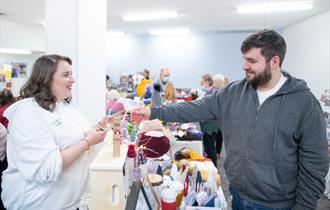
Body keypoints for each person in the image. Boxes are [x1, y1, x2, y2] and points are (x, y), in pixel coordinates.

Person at [133, 29, 329, 209]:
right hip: (237, 195)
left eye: (251, 61)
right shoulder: (233, 92)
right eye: (244, 59)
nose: (244, 66)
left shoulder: (303, 103)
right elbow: (195, 108)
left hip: (278, 204)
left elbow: (315, 164)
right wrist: (154, 112)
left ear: (274, 62)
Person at [1, 54, 112, 210]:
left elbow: (79, 136)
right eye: (66, 75)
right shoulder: (28, 114)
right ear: (46, 79)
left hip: (72, 201)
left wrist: (99, 126)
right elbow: (46, 167)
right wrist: (88, 142)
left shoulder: (65, 105)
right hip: (39, 203)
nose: (72, 79)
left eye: (71, 74)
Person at [199, 74, 220, 167]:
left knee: (210, 149)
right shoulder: (210, 92)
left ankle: (214, 169)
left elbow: (211, 110)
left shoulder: (213, 93)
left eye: (202, 83)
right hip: (208, 125)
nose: (201, 85)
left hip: (210, 127)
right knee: (209, 149)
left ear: (207, 83)